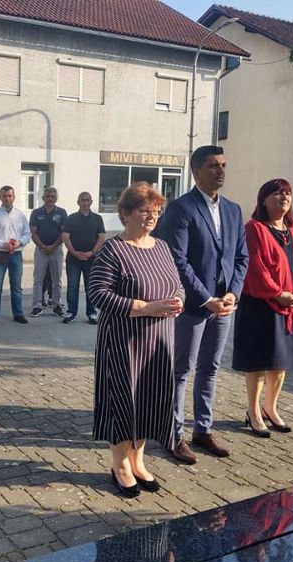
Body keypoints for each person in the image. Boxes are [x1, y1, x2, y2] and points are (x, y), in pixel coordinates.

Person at [154, 145, 249, 464]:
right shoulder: (180, 209)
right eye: (213, 166)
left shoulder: (233, 210)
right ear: (196, 172)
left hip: (224, 306)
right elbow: (177, 260)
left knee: (210, 368)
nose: (220, 171)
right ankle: (174, 434)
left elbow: (241, 257)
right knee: (181, 371)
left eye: (223, 165)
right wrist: (206, 299)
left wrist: (233, 292)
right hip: (194, 307)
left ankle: (203, 430)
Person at [89, 182, 185, 497]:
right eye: (144, 210)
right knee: (122, 401)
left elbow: (177, 283)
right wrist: (145, 307)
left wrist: (179, 300)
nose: (152, 216)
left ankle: (138, 460)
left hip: (159, 341)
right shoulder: (113, 250)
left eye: (156, 211)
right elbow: (98, 294)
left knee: (148, 400)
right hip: (123, 342)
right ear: (126, 213)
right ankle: (120, 465)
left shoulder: (162, 247)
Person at [233, 179, 293, 436]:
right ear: (264, 200)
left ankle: (270, 408)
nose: (284, 197)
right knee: (258, 363)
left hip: (290, 306)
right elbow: (255, 268)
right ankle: (254, 412)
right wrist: (278, 294)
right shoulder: (254, 229)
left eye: (287, 193)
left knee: (280, 362)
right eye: (277, 193)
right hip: (261, 306)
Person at [0, 185, 31, 326]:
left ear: (14, 197)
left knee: (16, 287)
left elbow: (27, 234)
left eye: (10, 196)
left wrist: (19, 243)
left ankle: (18, 314)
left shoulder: (20, 215)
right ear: (0, 197)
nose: (7, 198)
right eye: (4, 196)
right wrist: (1, 244)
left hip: (16, 254)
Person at [62, 191, 106, 324]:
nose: (85, 203)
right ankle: (71, 312)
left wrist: (92, 252)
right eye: (83, 200)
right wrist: (74, 252)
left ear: (91, 202)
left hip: (91, 259)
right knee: (72, 287)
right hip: (73, 259)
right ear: (78, 202)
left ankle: (92, 313)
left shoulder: (97, 219)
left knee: (91, 287)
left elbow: (102, 237)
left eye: (87, 200)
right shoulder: (71, 218)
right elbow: (65, 237)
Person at [29, 187, 67, 317]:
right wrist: (43, 246)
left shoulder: (61, 212)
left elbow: (64, 233)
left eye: (52, 196)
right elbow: (33, 232)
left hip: (56, 250)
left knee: (57, 279)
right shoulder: (36, 213)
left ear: (56, 198)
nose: (50, 199)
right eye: (47, 196)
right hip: (41, 250)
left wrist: (53, 246)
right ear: (43, 198)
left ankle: (56, 305)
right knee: (38, 279)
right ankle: (37, 305)